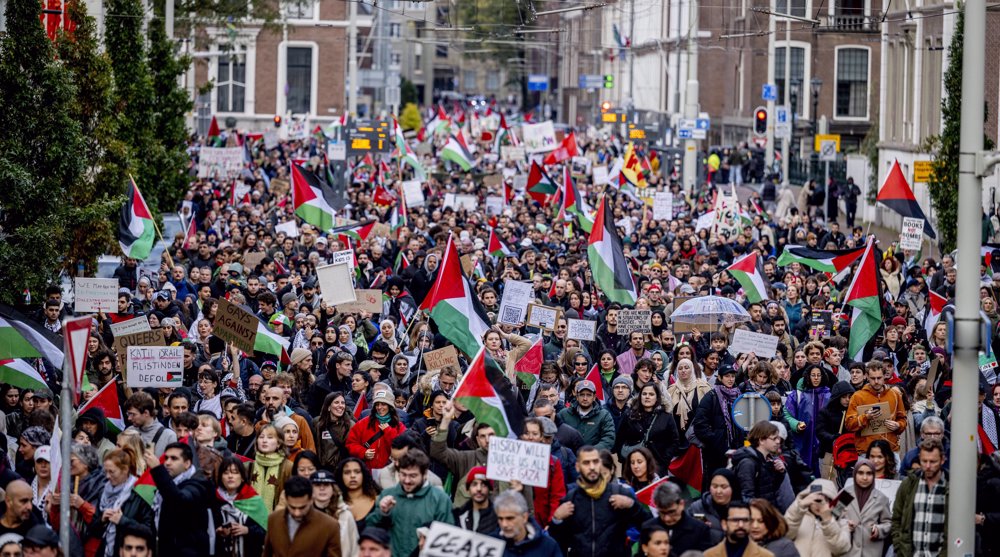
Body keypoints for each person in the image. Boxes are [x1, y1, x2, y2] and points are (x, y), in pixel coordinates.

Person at [550, 446, 650, 557]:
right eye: (586, 463)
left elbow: (648, 525)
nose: (592, 467)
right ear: (577, 467)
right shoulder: (570, 500)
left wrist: (632, 506)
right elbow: (558, 541)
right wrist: (556, 520)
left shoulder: (620, 494)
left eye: (595, 462)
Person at [366, 449, 453, 557]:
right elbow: (369, 530)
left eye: (413, 476)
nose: (407, 480)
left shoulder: (440, 500)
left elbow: (447, 539)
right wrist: (382, 513)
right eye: (403, 474)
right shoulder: (387, 495)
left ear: (425, 474)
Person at [144, 442, 213, 557]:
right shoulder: (166, 483)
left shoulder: (198, 485)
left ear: (187, 463)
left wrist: (157, 469)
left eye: (174, 458)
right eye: (166, 458)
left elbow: (178, 500)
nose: (167, 463)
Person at [90, 448, 155, 557]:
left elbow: (148, 532)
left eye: (112, 472)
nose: (107, 476)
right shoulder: (103, 491)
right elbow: (93, 531)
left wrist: (122, 521)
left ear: (125, 470)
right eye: (106, 471)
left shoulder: (139, 493)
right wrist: (102, 519)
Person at [892, 438, 948, 557]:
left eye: (933, 462)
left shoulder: (951, 487)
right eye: (924, 461)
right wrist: (899, 547)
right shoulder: (909, 484)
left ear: (942, 460)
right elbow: (896, 518)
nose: (927, 466)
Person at [261, 476, 341, 557]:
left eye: (302, 507)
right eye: (292, 507)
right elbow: (267, 553)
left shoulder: (330, 526)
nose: (297, 513)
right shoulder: (274, 519)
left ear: (311, 500)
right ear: (286, 500)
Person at [694, 365, 745, 479]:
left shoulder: (739, 396)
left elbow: (744, 422)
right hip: (716, 452)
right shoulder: (711, 396)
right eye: (727, 376)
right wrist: (715, 439)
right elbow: (699, 424)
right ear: (720, 378)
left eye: (733, 376)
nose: (731, 379)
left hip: (737, 449)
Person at [639, 480, 716, 554]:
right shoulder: (647, 528)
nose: (667, 518)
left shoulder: (699, 530)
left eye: (671, 512)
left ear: (681, 504)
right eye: (662, 513)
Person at [845, 364, 907, 455]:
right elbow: (849, 424)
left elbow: (903, 419)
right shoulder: (857, 396)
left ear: (884, 376)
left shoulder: (895, 394)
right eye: (873, 378)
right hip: (866, 451)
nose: (876, 381)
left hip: (890, 450)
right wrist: (866, 417)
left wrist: (898, 425)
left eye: (879, 378)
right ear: (867, 377)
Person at [212, 455, 266, 557]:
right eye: (226, 472)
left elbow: (267, 532)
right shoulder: (214, 500)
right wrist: (219, 531)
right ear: (220, 477)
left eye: (235, 472)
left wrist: (247, 530)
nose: (230, 476)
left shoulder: (253, 500)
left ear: (242, 477)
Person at [783, 479, 851, 557]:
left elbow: (841, 548)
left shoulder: (841, 522)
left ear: (831, 502)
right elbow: (785, 534)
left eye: (825, 500)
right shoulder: (798, 516)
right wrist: (799, 506)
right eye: (816, 500)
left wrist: (828, 520)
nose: (818, 504)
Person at [732, 421, 787, 510]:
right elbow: (746, 497)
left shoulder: (768, 459)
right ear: (761, 440)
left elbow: (771, 489)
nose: (778, 442)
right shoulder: (748, 463)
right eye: (774, 438)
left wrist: (780, 473)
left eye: (778, 438)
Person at [842, 458, 891, 557]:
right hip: (847, 551)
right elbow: (831, 518)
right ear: (854, 474)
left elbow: (888, 523)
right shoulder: (845, 494)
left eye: (869, 473)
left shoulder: (881, 499)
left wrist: (879, 529)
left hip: (871, 552)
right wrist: (844, 525)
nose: (864, 477)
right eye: (860, 473)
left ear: (873, 475)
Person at [493, 490, 563, 557]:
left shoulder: (548, 546)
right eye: (500, 519)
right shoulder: (490, 543)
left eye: (510, 518)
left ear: (524, 517)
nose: (504, 524)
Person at [557, 381, 615, 452]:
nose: (585, 398)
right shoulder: (564, 414)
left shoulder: (604, 415)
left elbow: (608, 438)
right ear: (577, 396)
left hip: (593, 458)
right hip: (569, 458)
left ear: (594, 397)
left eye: (588, 395)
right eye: (582, 395)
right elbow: (555, 436)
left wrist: (590, 452)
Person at [705, 501, 775, 557]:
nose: (741, 525)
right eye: (735, 520)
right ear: (724, 524)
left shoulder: (766, 556)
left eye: (745, 520)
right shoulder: (708, 555)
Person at [688, 469, 741, 534]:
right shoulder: (697, 508)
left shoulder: (743, 509)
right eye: (714, 486)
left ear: (733, 487)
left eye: (723, 487)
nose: (718, 491)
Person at [453, 466, 498, 535]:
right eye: (474, 484)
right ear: (467, 489)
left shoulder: (499, 517)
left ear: (490, 489)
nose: (479, 489)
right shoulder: (458, 515)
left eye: (483, 485)